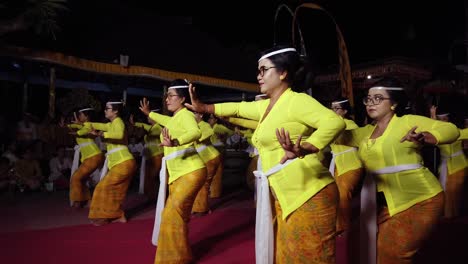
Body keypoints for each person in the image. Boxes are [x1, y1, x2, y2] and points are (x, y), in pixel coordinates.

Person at [186, 45, 346, 264]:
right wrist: (204, 108)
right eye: (258, 71)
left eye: (264, 70)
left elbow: (334, 121)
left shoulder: (296, 101)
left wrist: (309, 146)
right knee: (286, 256)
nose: (258, 76)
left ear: (283, 73)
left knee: (309, 258)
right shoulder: (268, 106)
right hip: (286, 194)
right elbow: (239, 109)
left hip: (309, 193)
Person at [338, 77, 459, 264]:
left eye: (378, 98)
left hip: (421, 199)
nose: (371, 103)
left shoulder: (407, 122)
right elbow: (338, 135)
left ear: (393, 103)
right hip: (388, 204)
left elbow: (451, 130)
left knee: (392, 253)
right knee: (377, 249)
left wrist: (426, 137)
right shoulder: (365, 132)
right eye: (368, 99)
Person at [139, 79, 207, 264]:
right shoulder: (175, 118)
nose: (167, 99)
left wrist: (176, 142)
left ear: (182, 98)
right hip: (179, 173)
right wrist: (149, 113)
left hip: (191, 171)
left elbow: (196, 132)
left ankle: (174, 259)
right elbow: (165, 120)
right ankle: (181, 256)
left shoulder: (185, 114)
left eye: (171, 96)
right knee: (177, 216)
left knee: (171, 215)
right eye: (166, 96)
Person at [84, 101, 136, 226]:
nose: (105, 111)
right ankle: (119, 215)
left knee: (101, 187)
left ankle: (103, 216)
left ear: (115, 111)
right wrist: (84, 124)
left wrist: (101, 134)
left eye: (108, 109)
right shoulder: (111, 124)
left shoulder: (118, 122)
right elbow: (97, 125)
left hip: (124, 162)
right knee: (115, 192)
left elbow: (119, 135)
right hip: (122, 163)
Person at [328, 97, 364, 235]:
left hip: (352, 165)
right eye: (331, 108)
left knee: (343, 195)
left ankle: (343, 228)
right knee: (336, 196)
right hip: (339, 165)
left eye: (336, 108)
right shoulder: (333, 124)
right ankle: (338, 225)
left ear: (344, 111)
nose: (332, 111)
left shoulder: (351, 125)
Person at [429, 106, 467, 219]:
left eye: (445, 119)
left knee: (455, 193)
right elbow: (431, 128)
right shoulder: (436, 134)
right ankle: (448, 218)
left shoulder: (455, 131)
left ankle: (454, 218)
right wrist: (432, 115)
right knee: (444, 193)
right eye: (440, 119)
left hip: (459, 167)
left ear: (448, 120)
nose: (442, 122)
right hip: (444, 168)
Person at [63, 108, 104, 208]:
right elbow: (73, 126)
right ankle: (87, 200)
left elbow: (83, 131)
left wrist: (76, 133)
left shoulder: (89, 125)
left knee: (76, 177)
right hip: (90, 157)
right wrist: (65, 126)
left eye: (80, 114)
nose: (79, 116)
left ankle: (78, 200)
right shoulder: (82, 125)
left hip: (93, 156)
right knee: (82, 178)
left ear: (87, 116)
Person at [191, 112, 222, 216]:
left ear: (200, 115)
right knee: (202, 183)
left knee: (203, 183)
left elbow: (206, 135)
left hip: (210, 157)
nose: (191, 116)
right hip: (206, 158)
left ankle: (201, 209)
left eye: (194, 113)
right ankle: (201, 207)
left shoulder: (205, 125)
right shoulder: (194, 126)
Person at [129, 111, 164, 202]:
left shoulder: (158, 128)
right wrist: (134, 123)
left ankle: (157, 197)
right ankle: (152, 197)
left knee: (153, 177)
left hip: (158, 155)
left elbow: (147, 131)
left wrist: (142, 132)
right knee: (148, 177)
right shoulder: (152, 128)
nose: (148, 118)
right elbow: (143, 125)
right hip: (151, 156)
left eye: (149, 117)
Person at [207, 114, 234, 198]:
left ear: (215, 120)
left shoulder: (217, 127)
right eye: (209, 118)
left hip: (218, 150)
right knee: (214, 172)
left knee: (217, 172)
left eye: (211, 118)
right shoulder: (211, 127)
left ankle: (215, 193)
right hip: (214, 150)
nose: (209, 120)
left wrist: (223, 138)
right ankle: (213, 192)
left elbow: (231, 132)